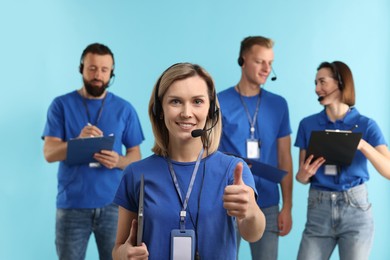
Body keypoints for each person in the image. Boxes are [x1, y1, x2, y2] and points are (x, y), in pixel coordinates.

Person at [112, 62, 266, 260]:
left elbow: (253, 234)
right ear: (160, 109)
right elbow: (118, 249)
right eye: (175, 101)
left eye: (197, 101)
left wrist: (251, 211)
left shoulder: (233, 169)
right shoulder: (136, 173)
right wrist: (124, 255)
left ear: (211, 110)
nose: (186, 112)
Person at [42, 43, 145, 260]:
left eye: (104, 70)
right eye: (92, 68)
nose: (98, 75)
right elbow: (49, 153)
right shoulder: (60, 105)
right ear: (81, 68)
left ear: (111, 73)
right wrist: (77, 142)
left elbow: (136, 156)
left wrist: (118, 160)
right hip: (72, 206)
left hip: (114, 206)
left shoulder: (124, 109)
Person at [294, 61, 390, 260]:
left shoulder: (367, 125)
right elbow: (301, 178)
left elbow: (388, 171)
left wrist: (362, 145)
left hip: (356, 209)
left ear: (340, 82)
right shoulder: (307, 124)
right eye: (315, 83)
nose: (316, 89)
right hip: (318, 208)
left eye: (322, 82)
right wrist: (303, 175)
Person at [217, 36, 293, 259]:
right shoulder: (218, 102)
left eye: (270, 63)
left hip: (268, 204)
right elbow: (208, 153)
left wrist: (287, 206)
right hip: (229, 201)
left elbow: (285, 157)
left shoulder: (279, 104)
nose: (267, 68)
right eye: (260, 61)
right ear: (242, 60)